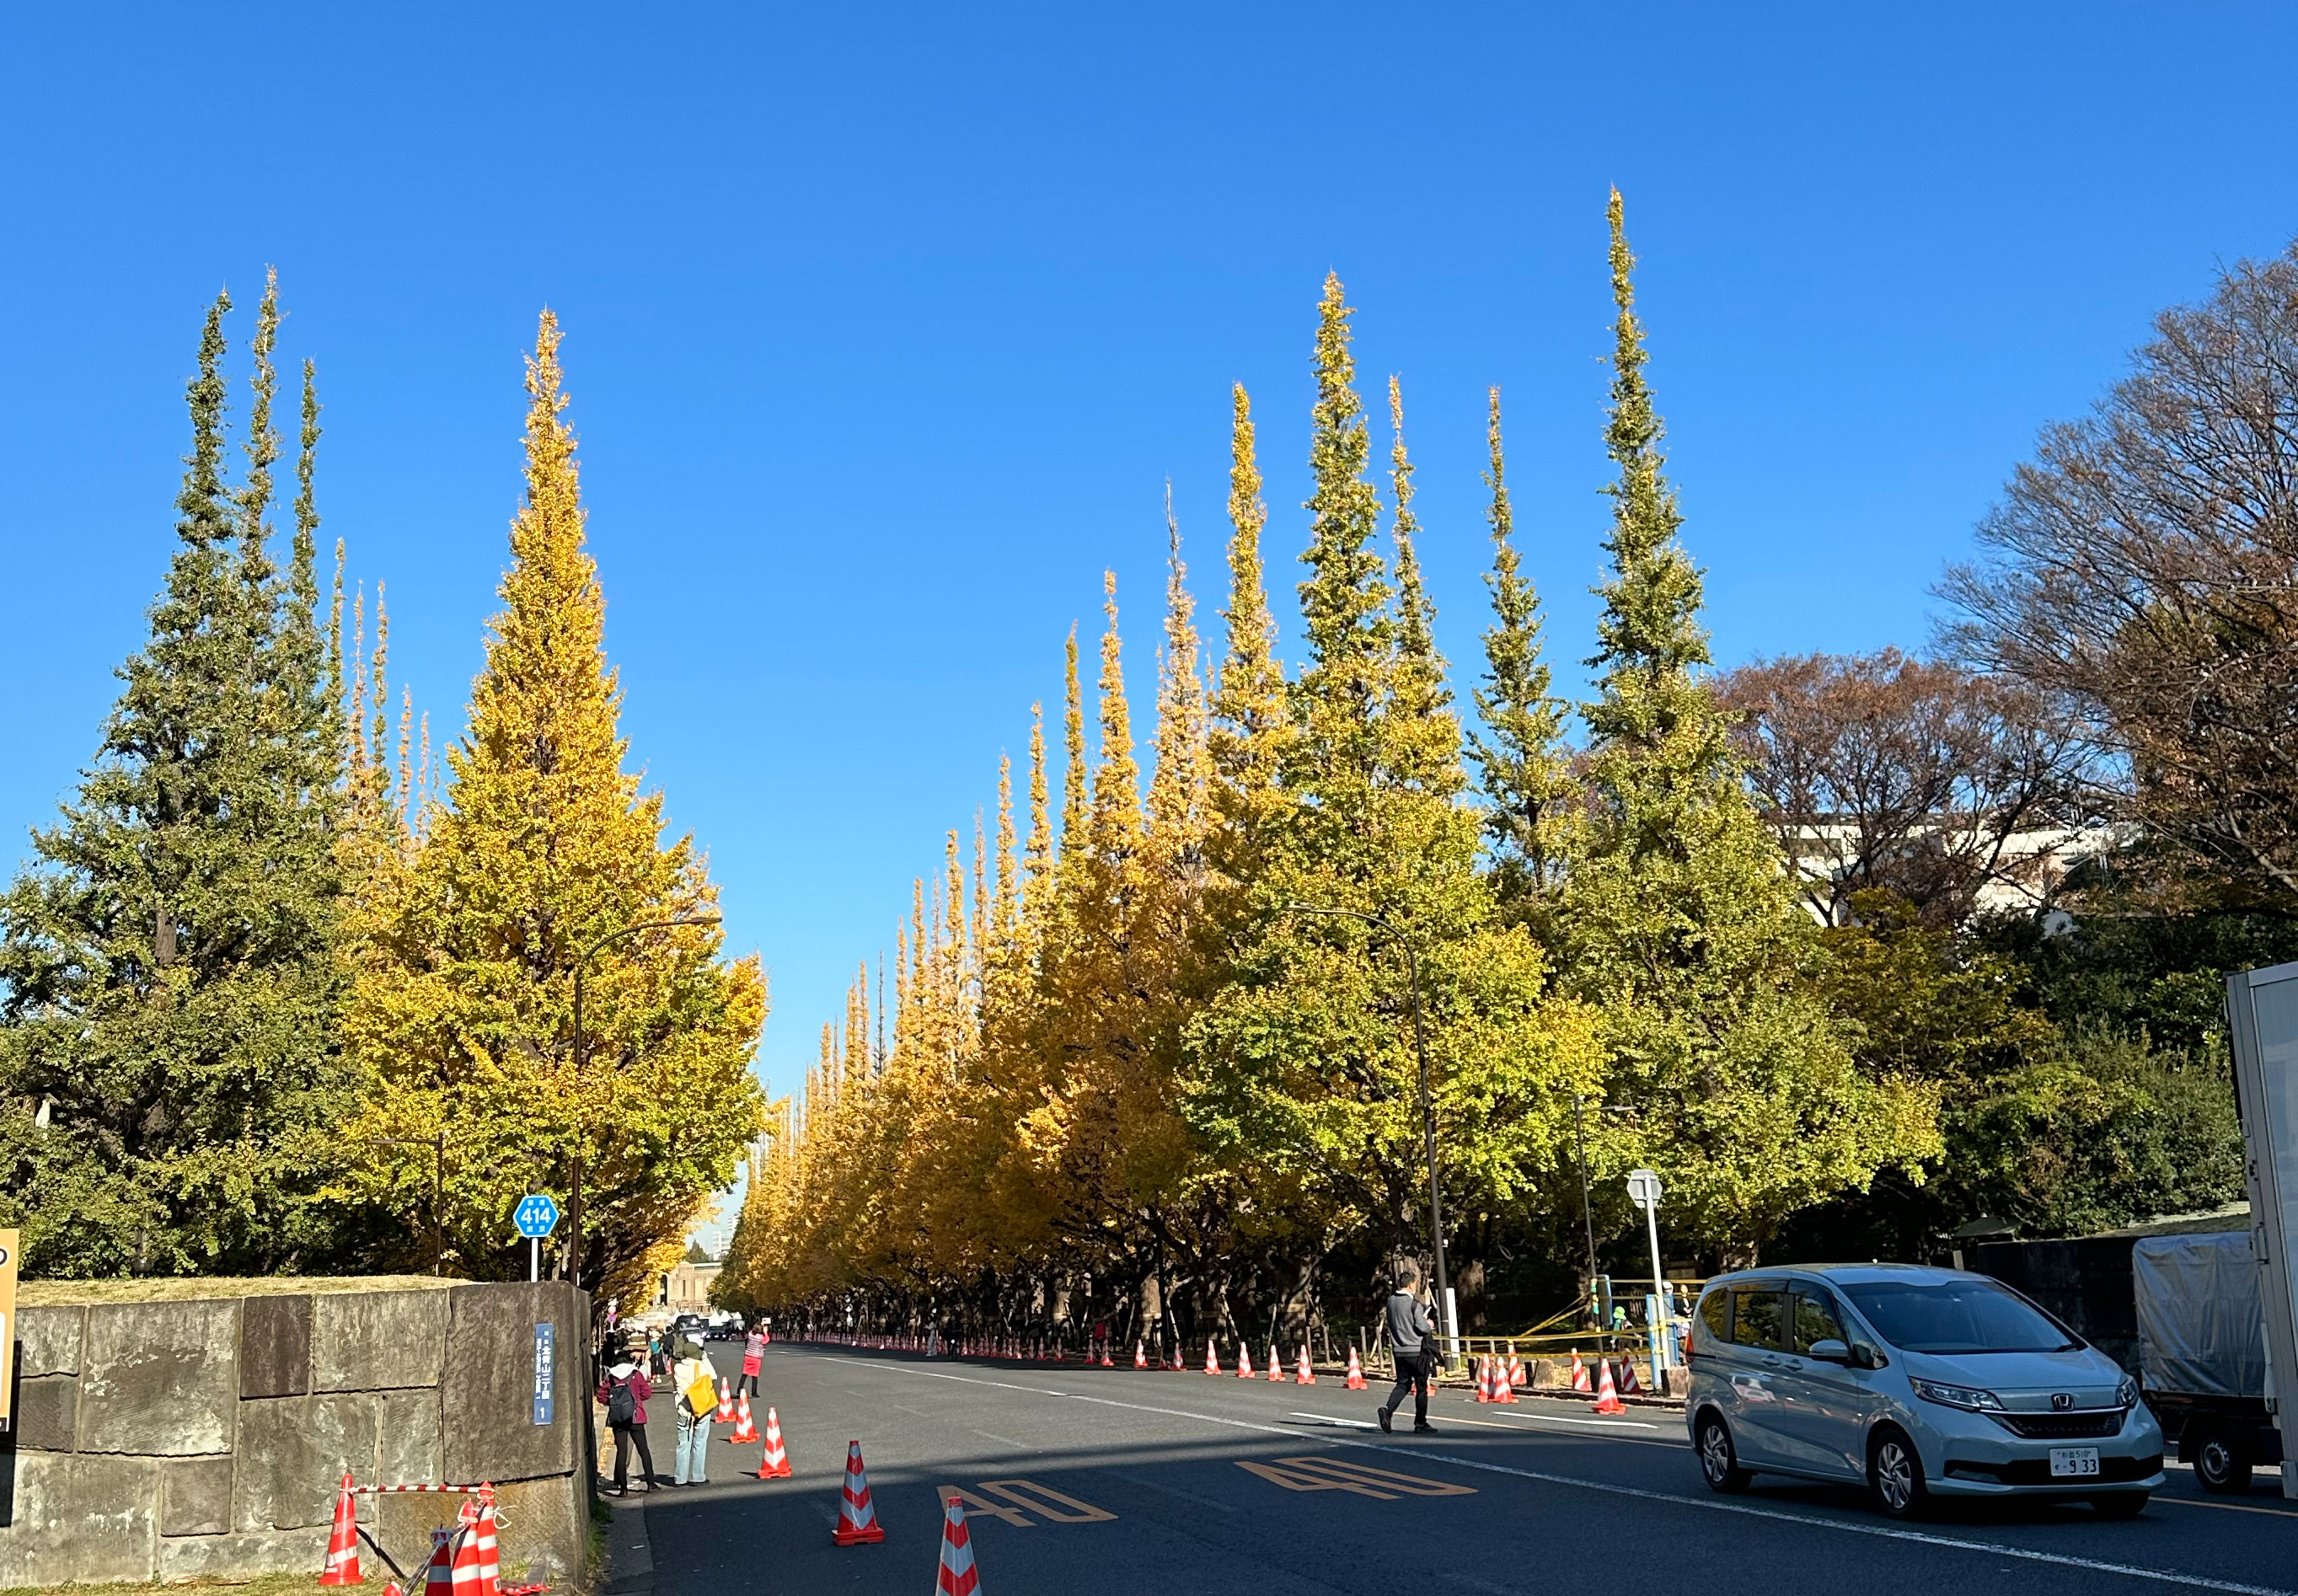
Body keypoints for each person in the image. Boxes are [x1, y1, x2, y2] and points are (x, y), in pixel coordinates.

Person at [1376, 1260, 1438, 1434]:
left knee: (1403, 1383)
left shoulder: (1391, 1301)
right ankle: (1420, 1423)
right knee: (1421, 1387)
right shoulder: (1414, 1304)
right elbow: (1421, 1327)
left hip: (1399, 1349)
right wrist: (1429, 1324)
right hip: (1416, 1350)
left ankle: (1388, 1410)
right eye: (1415, 1284)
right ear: (1411, 1285)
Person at [596, 1342, 656, 1496]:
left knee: (621, 1451)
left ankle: (622, 1488)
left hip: (617, 1418)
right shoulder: (636, 1374)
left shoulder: (611, 1377)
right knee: (643, 1450)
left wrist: (613, 1402)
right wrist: (636, 1400)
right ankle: (650, 1483)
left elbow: (601, 1395)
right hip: (636, 1417)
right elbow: (647, 1393)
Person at [670, 1332, 718, 1486]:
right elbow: (713, 1376)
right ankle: (698, 1476)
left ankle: (680, 1478)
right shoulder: (701, 1366)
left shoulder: (678, 1368)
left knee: (683, 1443)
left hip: (684, 1408)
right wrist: (705, 1358)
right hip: (701, 1407)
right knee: (700, 1442)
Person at [740, 1321, 765, 1397]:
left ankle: (739, 1389)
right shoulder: (760, 1338)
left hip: (748, 1356)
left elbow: (751, 1331)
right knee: (755, 1376)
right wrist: (766, 1332)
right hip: (756, 1357)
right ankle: (754, 1392)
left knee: (745, 1374)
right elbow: (766, 1340)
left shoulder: (750, 1334)